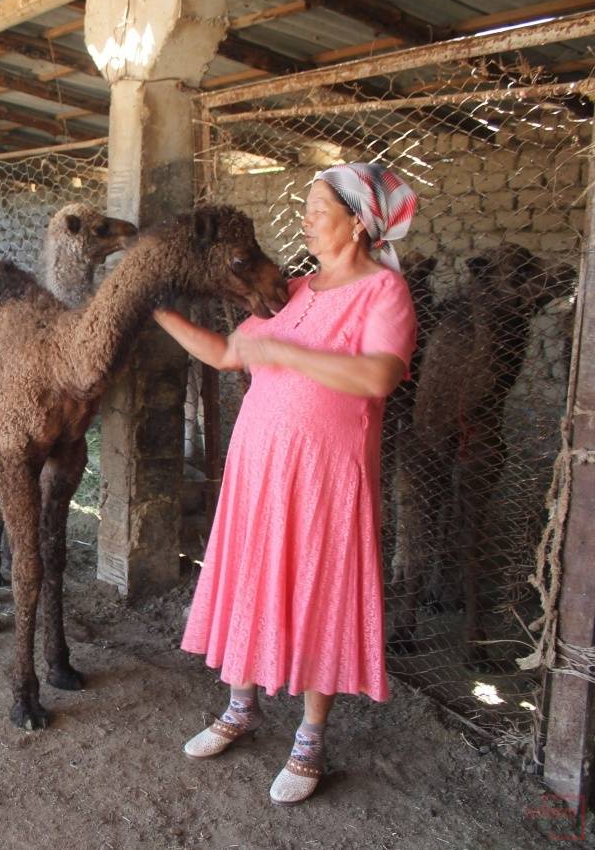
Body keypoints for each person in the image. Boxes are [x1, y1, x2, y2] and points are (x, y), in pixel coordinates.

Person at [156, 163, 418, 806]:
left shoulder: (384, 293)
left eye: (317, 206)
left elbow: (378, 378)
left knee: (317, 589)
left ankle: (310, 738)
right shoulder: (291, 290)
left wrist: (286, 354)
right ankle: (239, 707)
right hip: (259, 467)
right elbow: (224, 354)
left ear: (358, 223)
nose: (303, 217)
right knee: (251, 574)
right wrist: (152, 308)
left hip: (327, 476)